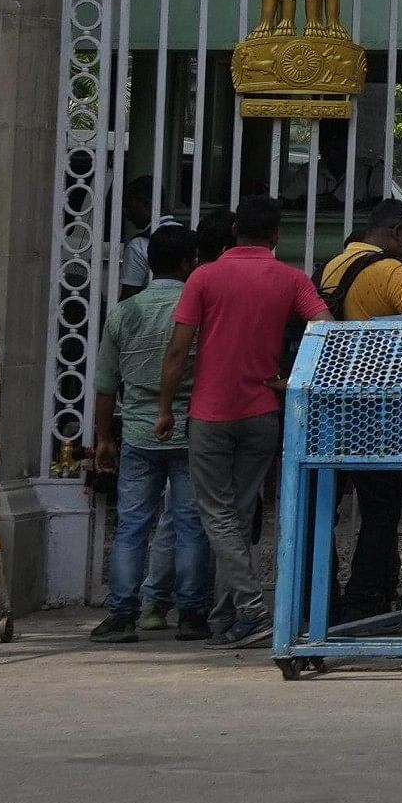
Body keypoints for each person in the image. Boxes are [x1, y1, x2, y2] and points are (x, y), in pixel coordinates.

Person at [158, 195, 324, 646]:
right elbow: (326, 328)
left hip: (210, 412)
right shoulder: (289, 279)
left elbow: (177, 351)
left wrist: (165, 407)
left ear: (234, 232)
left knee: (216, 515)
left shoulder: (204, 277)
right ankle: (224, 616)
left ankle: (250, 610)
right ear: (275, 235)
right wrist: (291, 379)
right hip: (262, 411)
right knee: (241, 511)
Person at [88, 222, 212, 640]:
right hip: (191, 429)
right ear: (189, 263)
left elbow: (106, 385)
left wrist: (105, 438)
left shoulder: (125, 311)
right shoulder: (199, 310)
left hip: (140, 431)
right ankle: (193, 614)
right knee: (191, 523)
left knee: (132, 527)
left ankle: (122, 613)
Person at [315, 200, 402, 623]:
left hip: (328, 405)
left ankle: (319, 599)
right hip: (374, 407)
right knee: (381, 508)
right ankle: (365, 600)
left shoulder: (332, 265)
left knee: (322, 505)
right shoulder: (389, 270)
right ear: (397, 232)